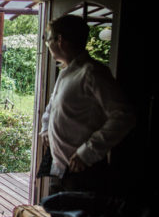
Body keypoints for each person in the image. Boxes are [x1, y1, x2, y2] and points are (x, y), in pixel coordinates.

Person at [39, 15, 135, 195]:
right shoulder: (66, 71)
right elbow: (52, 107)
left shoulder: (92, 73)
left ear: (60, 40)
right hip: (59, 167)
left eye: (48, 39)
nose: (47, 44)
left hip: (82, 171)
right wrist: (45, 129)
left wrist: (87, 152)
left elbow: (124, 116)